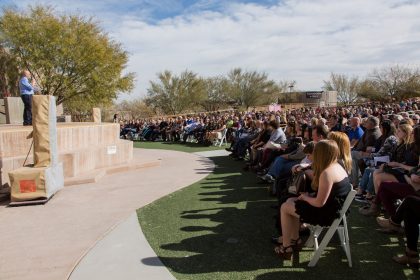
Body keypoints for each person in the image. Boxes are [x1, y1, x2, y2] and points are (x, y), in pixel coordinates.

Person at [274, 140, 351, 259]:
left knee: (285, 207)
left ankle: (286, 247)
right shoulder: (338, 165)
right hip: (335, 209)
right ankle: (295, 240)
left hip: (327, 214)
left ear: (321, 154)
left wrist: (306, 197)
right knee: (290, 202)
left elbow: (319, 203)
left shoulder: (327, 173)